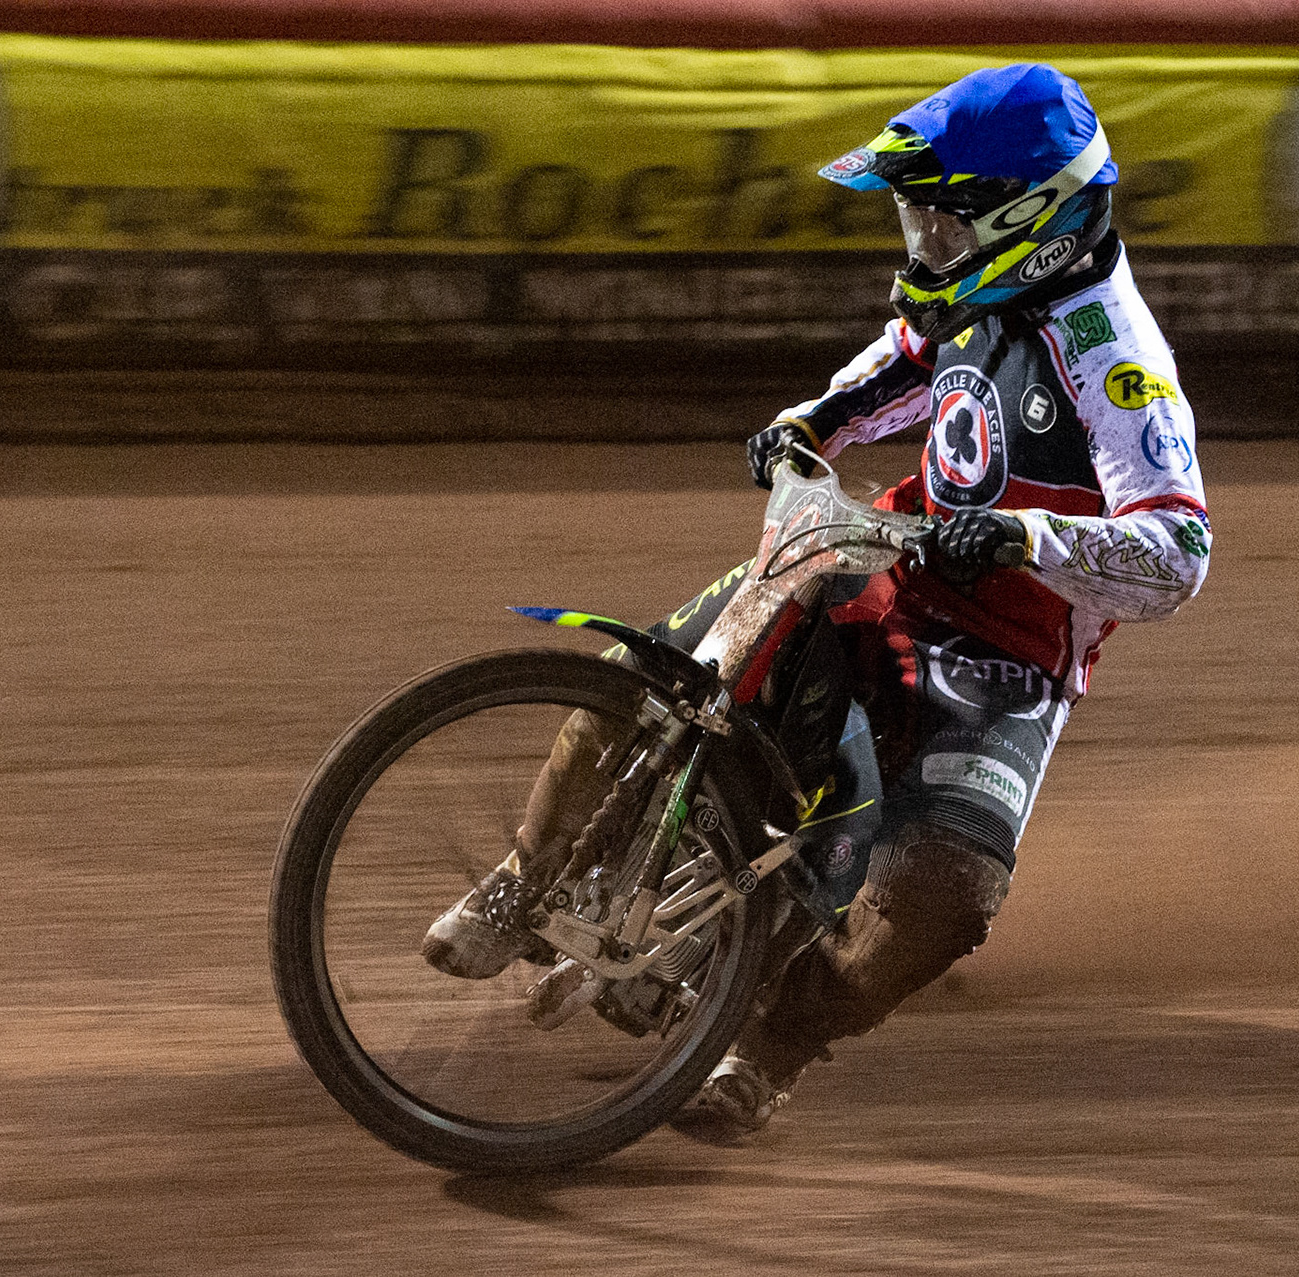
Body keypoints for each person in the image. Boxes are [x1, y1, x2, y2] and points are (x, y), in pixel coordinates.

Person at [422, 62, 1211, 1138]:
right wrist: (806, 423)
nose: (921, 247)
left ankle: (773, 1046)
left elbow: (1178, 548)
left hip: (1009, 647)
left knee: (946, 892)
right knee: (639, 679)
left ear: (1029, 220)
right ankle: (525, 879)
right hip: (881, 552)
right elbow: (902, 362)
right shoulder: (981, 291)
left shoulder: (1118, 362)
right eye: (916, 223)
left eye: (941, 226)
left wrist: (1028, 534)